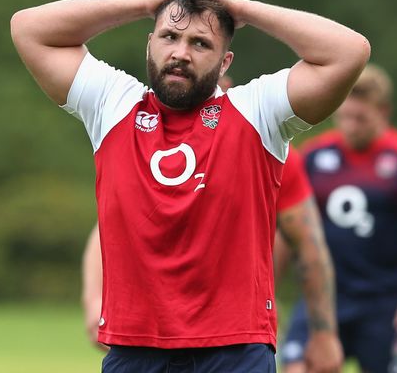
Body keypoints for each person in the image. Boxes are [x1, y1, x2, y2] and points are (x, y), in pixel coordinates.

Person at [11, 0, 370, 372]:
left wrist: (243, 9)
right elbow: (29, 28)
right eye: (169, 36)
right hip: (135, 348)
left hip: (234, 348)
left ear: (224, 62)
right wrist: (145, 3)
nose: (180, 52)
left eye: (201, 43)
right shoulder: (113, 104)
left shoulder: (256, 112)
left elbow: (349, 51)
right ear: (150, 43)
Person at [82, 75, 343, 370]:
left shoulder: (268, 151)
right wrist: (95, 300)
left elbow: (308, 242)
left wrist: (323, 332)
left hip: (232, 338)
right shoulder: (148, 140)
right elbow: (107, 228)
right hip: (145, 337)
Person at [276, 65, 397, 373]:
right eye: (344, 116)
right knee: (297, 367)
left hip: (386, 302)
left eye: (361, 118)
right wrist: (268, 291)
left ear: (383, 111)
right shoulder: (314, 158)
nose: (350, 126)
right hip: (324, 295)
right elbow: (289, 230)